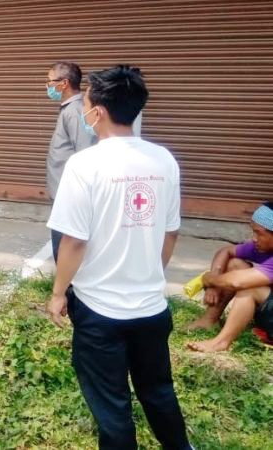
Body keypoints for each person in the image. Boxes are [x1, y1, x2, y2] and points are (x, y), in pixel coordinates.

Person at [46, 65, 191, 450]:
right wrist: (149, 272)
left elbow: (73, 241)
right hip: (151, 308)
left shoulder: (85, 164)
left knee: (112, 407)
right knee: (158, 390)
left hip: (100, 313)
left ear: (99, 111)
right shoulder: (164, 160)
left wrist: (59, 292)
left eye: (87, 102)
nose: (84, 109)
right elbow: (170, 231)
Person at [185, 202, 273, 352]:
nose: (254, 238)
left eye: (259, 233)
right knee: (235, 263)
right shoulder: (262, 247)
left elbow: (237, 282)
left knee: (250, 289)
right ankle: (209, 320)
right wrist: (215, 281)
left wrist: (209, 279)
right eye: (254, 232)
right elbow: (225, 251)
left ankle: (220, 343)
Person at [45, 61, 96, 260]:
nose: (47, 86)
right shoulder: (70, 109)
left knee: (65, 248)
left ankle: (68, 289)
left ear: (63, 83)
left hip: (70, 194)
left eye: (49, 82)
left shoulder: (75, 111)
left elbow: (84, 153)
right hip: (64, 191)